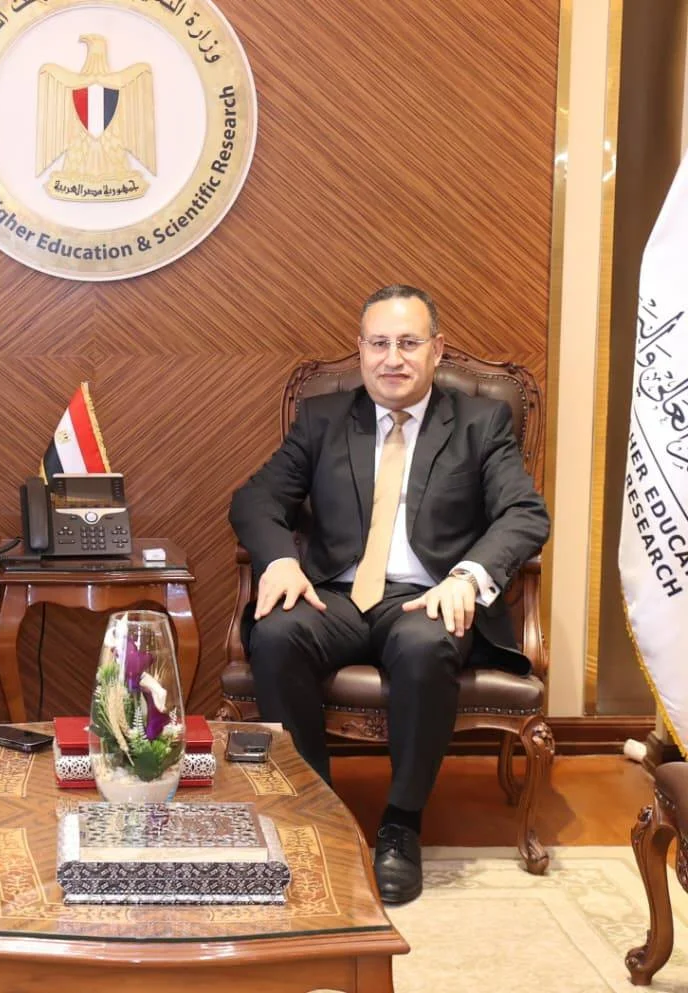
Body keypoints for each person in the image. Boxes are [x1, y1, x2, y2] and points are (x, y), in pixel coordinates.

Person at [229, 284, 549, 905]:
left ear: (437, 350)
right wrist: (281, 561)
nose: (392, 358)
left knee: (426, 645)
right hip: (337, 595)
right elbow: (256, 499)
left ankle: (401, 825)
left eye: (408, 342)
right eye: (379, 344)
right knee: (277, 631)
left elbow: (524, 513)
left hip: (427, 597)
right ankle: (316, 813)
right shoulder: (323, 419)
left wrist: (468, 577)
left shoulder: (480, 423)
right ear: (361, 350)